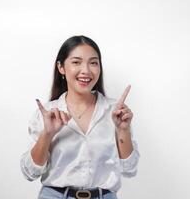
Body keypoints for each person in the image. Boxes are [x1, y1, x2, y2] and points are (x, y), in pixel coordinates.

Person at [20, 35, 140, 199]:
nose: (86, 70)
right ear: (61, 67)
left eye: (93, 63)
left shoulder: (115, 112)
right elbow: (30, 172)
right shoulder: (48, 113)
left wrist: (123, 131)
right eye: (76, 62)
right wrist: (47, 134)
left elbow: (129, 169)